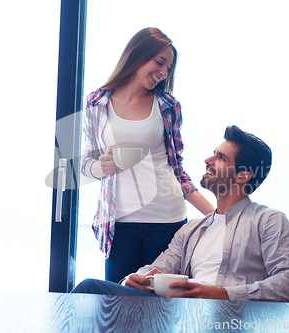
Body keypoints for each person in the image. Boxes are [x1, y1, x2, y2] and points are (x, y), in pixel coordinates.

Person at [74, 125, 289, 302]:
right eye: (213, 153)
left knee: (88, 289)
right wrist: (135, 279)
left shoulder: (268, 221)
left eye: (221, 158)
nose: (208, 160)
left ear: (243, 176)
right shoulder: (192, 229)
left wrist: (222, 295)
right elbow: (159, 268)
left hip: (233, 319)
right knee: (93, 293)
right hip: (181, 316)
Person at [80, 27, 214, 283]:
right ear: (137, 55)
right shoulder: (96, 103)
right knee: (117, 304)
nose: (164, 73)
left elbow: (177, 168)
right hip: (118, 221)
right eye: (160, 62)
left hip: (167, 218)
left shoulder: (168, 106)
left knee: (162, 308)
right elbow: (86, 162)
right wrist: (98, 168)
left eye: (168, 68)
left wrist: (216, 215)